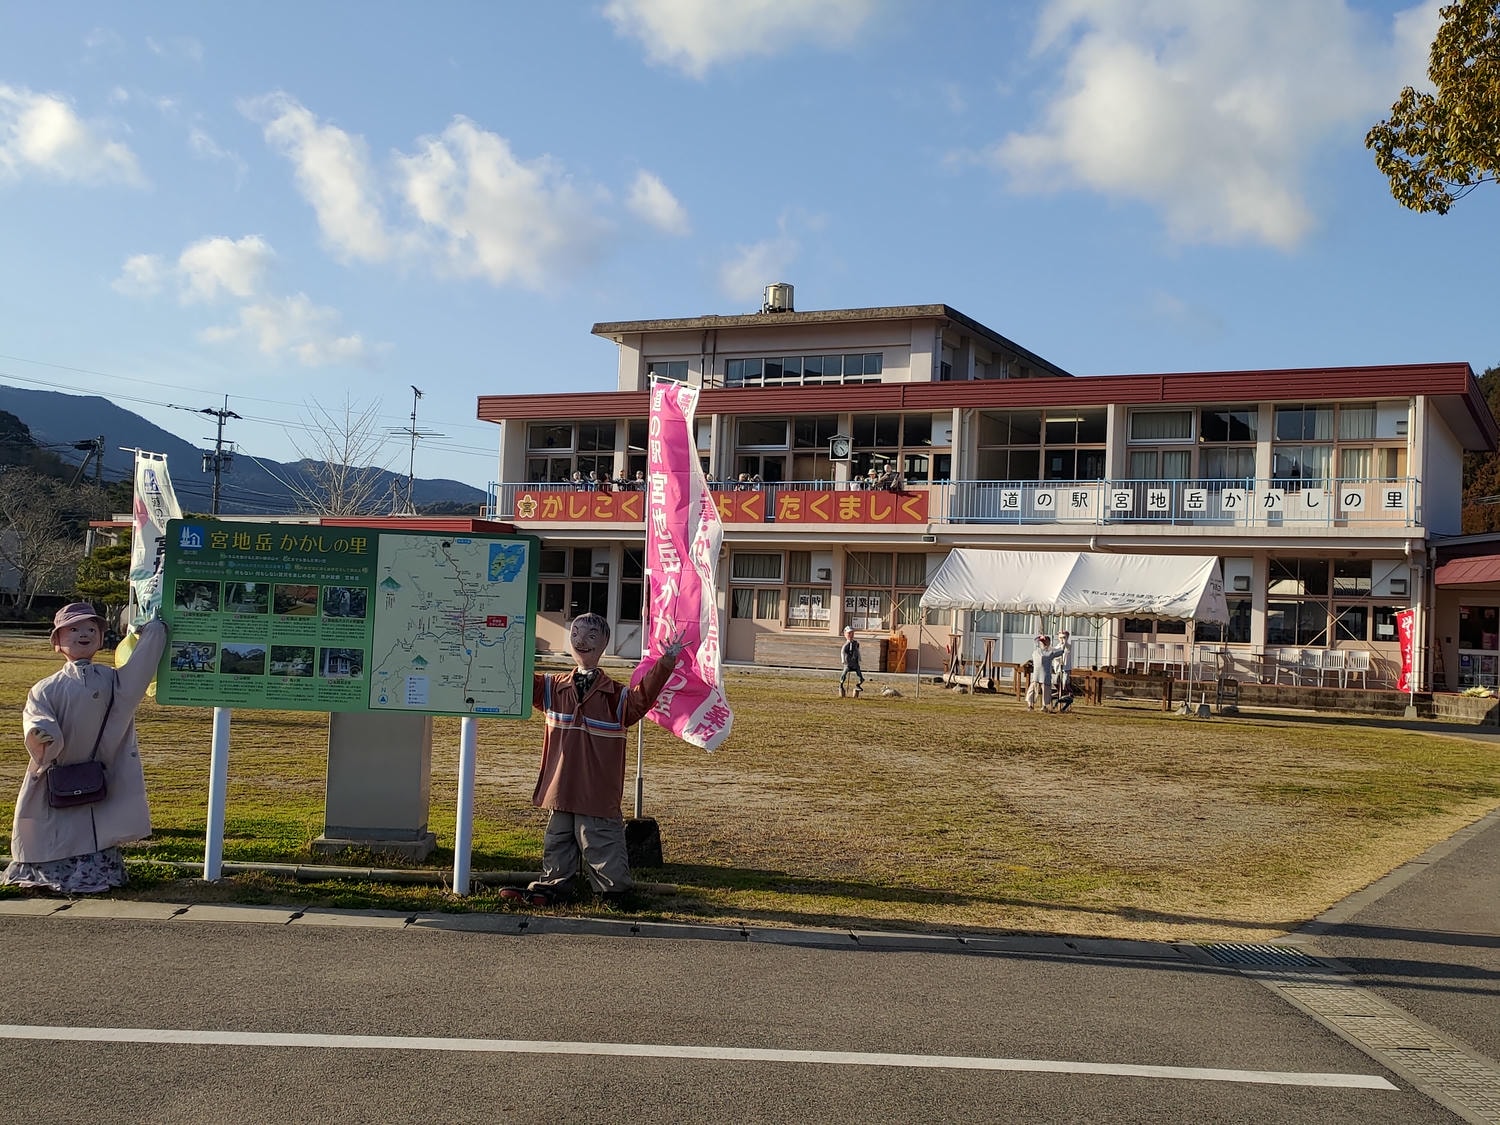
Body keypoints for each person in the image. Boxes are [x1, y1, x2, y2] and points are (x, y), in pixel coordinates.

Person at [500, 613, 685, 908]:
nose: (581, 641)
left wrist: (665, 663)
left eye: (590, 636)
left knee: (601, 840)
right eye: (575, 634)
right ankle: (552, 887)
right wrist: (505, 641)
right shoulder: (552, 687)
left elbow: (643, 698)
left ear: (604, 644)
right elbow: (519, 678)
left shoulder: (616, 696)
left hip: (597, 787)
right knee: (558, 839)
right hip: (561, 783)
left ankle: (614, 893)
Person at [4, 602, 168, 894]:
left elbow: (138, 674)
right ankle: (50, 871)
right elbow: (37, 716)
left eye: (91, 629)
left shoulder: (111, 680)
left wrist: (154, 633)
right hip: (58, 770)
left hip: (99, 770)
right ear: (57, 641)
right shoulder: (46, 688)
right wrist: (43, 735)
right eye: (74, 629)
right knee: (53, 826)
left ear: (101, 638)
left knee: (93, 825)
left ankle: (92, 873)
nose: (84, 634)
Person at [1027, 633, 1063, 712]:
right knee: (1032, 690)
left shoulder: (1051, 652)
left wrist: (1060, 642)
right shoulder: (1037, 650)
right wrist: (1040, 637)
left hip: (1045, 674)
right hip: (1036, 674)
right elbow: (1035, 640)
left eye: (1044, 642)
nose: (1043, 643)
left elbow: (1061, 651)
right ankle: (1030, 705)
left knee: (1046, 691)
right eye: (1042, 642)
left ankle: (1044, 706)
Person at [839, 626, 865, 698]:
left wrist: (859, 658)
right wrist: (843, 660)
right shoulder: (846, 645)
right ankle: (841, 685)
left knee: (860, 676)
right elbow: (842, 652)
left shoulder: (856, 643)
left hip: (855, 663)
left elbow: (857, 651)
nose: (851, 635)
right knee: (844, 674)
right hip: (848, 663)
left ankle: (858, 684)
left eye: (852, 633)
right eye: (849, 633)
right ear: (845, 634)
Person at [1054, 629, 1074, 703]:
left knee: (1065, 682)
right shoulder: (1057, 647)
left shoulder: (1068, 646)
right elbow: (1055, 655)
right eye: (1060, 638)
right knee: (1056, 681)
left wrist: (1064, 642)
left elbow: (1066, 648)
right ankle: (1059, 692)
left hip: (1066, 668)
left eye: (1064, 637)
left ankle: (1070, 694)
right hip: (1059, 668)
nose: (1062, 639)